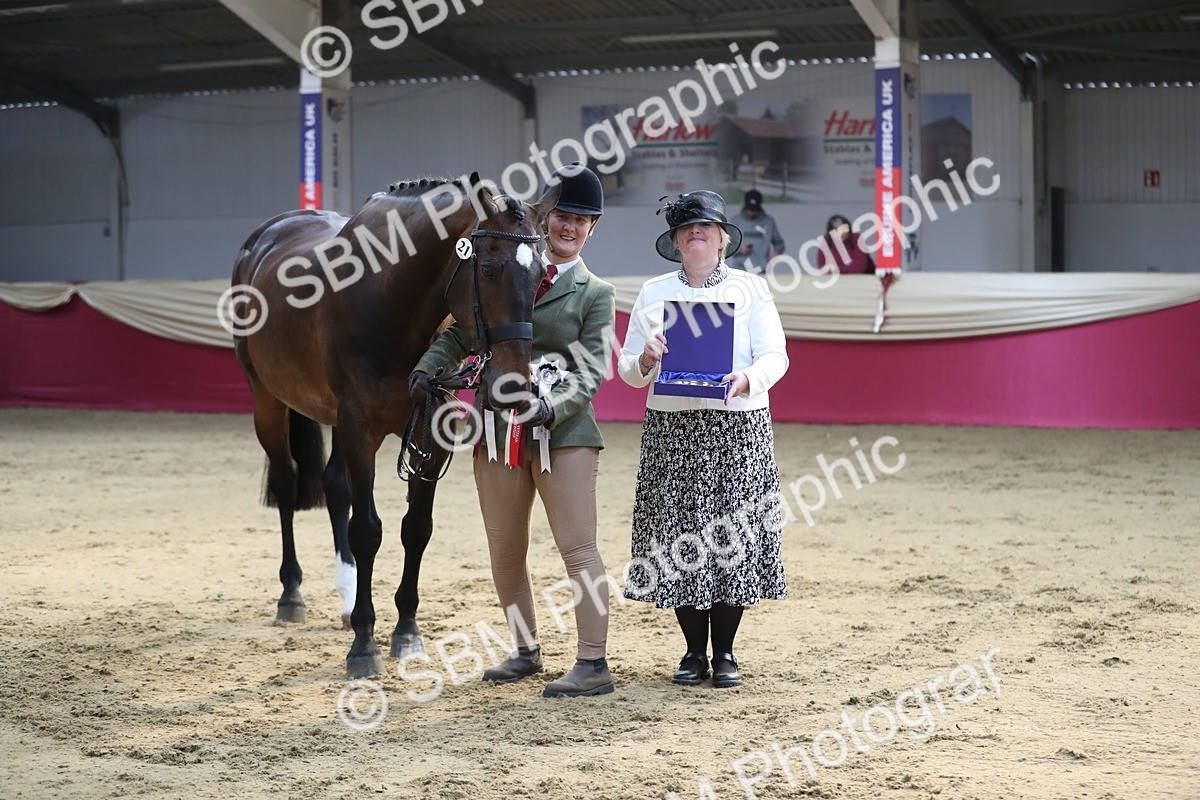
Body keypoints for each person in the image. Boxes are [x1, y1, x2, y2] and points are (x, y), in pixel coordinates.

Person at [410, 163, 616, 698]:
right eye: (562, 217)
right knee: (505, 550)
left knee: (578, 549)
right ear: (546, 219)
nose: (568, 227)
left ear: (592, 228)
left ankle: (592, 662)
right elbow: (463, 333)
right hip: (497, 430)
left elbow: (593, 366)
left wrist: (553, 409)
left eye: (580, 220)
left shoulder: (596, 293)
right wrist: (426, 367)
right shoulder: (509, 267)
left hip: (564, 434)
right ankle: (525, 650)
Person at [617, 190, 789, 688]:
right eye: (688, 227)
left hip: (738, 425)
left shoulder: (751, 288)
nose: (698, 233)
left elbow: (776, 355)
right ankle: (692, 653)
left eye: (706, 227)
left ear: (722, 239)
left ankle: (727, 653)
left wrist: (748, 380)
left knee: (734, 535)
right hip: (672, 427)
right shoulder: (651, 293)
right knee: (678, 538)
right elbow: (628, 371)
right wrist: (646, 359)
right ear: (675, 239)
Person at [727, 189, 785, 274]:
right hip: (739, 269)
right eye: (750, 209)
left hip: (761, 270)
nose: (752, 212)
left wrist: (776, 252)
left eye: (754, 210)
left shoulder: (769, 222)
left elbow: (779, 244)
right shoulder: (735, 220)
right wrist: (739, 248)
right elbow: (726, 245)